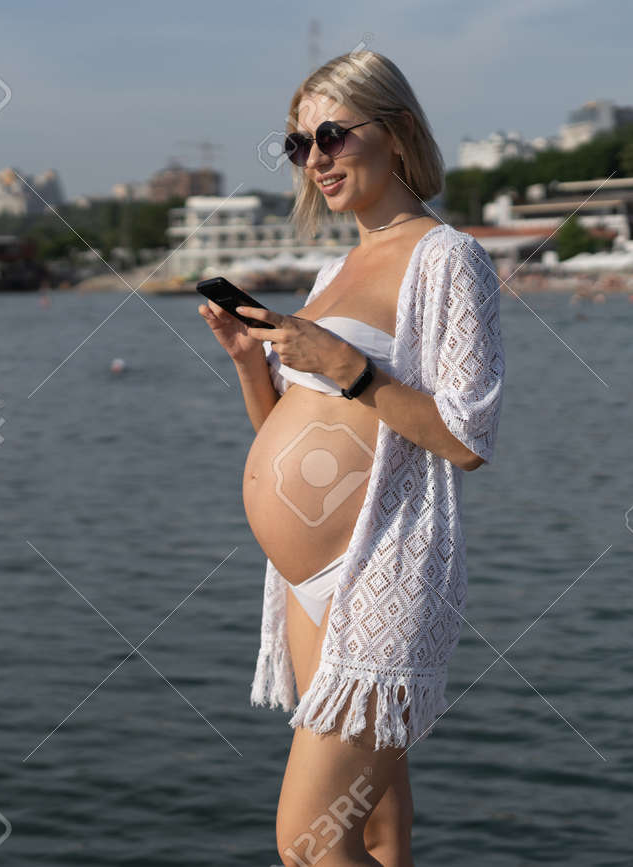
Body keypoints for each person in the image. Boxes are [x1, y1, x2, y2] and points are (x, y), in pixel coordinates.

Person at [199, 50, 504, 866]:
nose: (316, 159)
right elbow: (283, 432)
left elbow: (468, 438)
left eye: (331, 134)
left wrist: (347, 365)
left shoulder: (449, 259)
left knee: (305, 839)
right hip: (305, 582)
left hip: (383, 569)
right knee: (375, 824)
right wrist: (247, 361)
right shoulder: (335, 269)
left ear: (397, 132)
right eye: (300, 145)